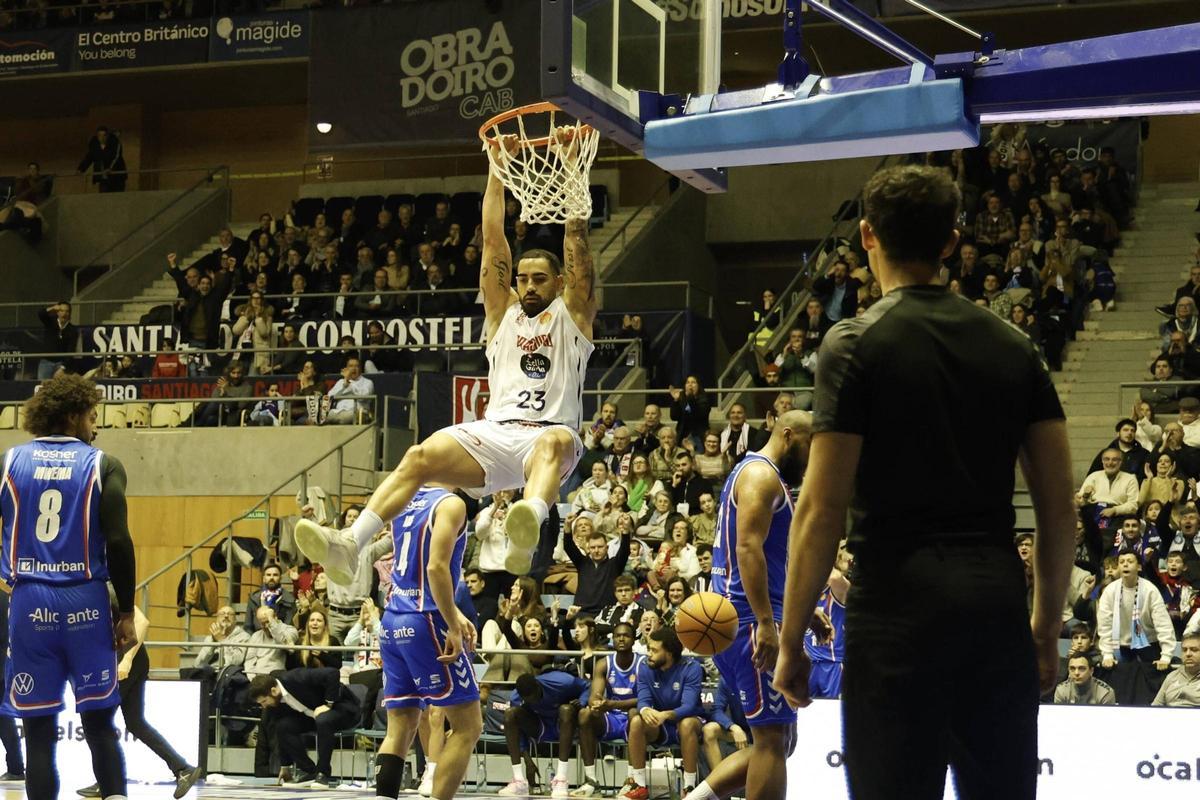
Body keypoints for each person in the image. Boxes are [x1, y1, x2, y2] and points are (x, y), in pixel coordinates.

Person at [772, 165, 1076, 800]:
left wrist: (792, 637)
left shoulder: (853, 343)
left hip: (896, 613)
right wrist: (1044, 630)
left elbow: (822, 510)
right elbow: (1057, 510)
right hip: (992, 611)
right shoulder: (1015, 346)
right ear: (950, 242)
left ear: (865, 237)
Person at [294, 130, 598, 581]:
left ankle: (527, 525)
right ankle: (349, 544)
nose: (529, 285)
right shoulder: (503, 313)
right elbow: (493, 238)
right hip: (495, 434)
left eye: (539, 279)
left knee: (551, 442)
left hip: (550, 437)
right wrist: (497, 166)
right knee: (420, 455)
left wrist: (573, 167)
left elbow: (576, 239)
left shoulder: (573, 315)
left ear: (557, 284)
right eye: (523, 278)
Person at [0, 374, 139, 800]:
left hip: (29, 601)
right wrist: (129, 611)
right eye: (92, 416)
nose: (95, 427)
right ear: (75, 415)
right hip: (85, 600)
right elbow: (117, 541)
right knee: (99, 724)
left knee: (39, 732)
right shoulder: (102, 463)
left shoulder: (9, 461)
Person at [693, 410, 812, 800]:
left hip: (744, 617)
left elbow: (779, 557)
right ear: (790, 436)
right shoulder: (762, 476)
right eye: (811, 447)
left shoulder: (755, 473)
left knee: (779, 740)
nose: (814, 460)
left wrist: (805, 609)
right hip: (749, 620)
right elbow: (747, 548)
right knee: (772, 741)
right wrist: (766, 622)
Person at [372, 486, 483, 800]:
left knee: (401, 724)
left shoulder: (403, 498)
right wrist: (452, 621)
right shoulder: (450, 503)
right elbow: (435, 567)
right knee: (468, 726)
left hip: (392, 618)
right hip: (424, 619)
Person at [76, 593, 203, 798]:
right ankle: (182, 769)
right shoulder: (79, 594)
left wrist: (126, 659)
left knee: (98, 723)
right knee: (135, 723)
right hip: (120, 659)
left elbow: (142, 622)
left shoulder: (105, 589)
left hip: (126, 659)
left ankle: (107, 781)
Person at [618, 627, 704, 800]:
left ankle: (689, 787)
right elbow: (642, 699)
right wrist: (645, 710)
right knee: (636, 721)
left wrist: (664, 714)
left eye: (654, 650)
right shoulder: (645, 666)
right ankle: (640, 785)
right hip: (660, 724)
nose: (649, 653)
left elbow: (688, 706)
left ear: (670, 653)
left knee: (687, 723)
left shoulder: (692, 667)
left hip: (687, 723)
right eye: (649, 648)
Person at [249, 668, 360, 788]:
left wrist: (328, 704)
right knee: (283, 726)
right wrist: (285, 766)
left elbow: (332, 673)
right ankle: (311, 772)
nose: (264, 706)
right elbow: (280, 733)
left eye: (264, 701)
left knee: (323, 719)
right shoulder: (275, 704)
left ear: (273, 690)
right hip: (314, 716)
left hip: (343, 709)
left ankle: (323, 774)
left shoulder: (295, 677)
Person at [570, 622, 644, 798]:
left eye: (625, 635)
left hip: (634, 718)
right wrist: (597, 705)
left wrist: (612, 704)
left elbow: (645, 700)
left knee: (635, 714)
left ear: (633, 640)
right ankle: (591, 781)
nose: (621, 638)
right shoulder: (604, 664)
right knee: (585, 713)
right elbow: (594, 698)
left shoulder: (643, 663)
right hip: (611, 718)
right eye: (617, 635)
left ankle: (631, 781)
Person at [499, 670, 590, 797]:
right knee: (510, 714)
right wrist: (527, 760)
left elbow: (588, 685)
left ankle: (561, 779)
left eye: (534, 697)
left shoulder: (562, 681)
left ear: (538, 686)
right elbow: (519, 732)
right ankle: (519, 780)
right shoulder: (516, 696)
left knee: (566, 709)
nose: (533, 701)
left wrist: (582, 701)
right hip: (540, 726)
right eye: (528, 700)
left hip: (564, 725)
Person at [1096, 552, 1175, 671]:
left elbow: (1163, 625)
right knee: (1122, 681)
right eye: (1121, 562)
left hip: (1149, 643)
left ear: (1139, 567)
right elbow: (1105, 625)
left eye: (1130, 561)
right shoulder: (1109, 591)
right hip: (1122, 645)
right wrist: (1107, 654)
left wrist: (1166, 657)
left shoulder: (1150, 590)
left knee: (1152, 679)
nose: (1125, 565)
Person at [805, 541, 850, 700]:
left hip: (832, 665)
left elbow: (835, 576)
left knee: (832, 716)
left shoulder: (838, 588)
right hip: (808, 663)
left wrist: (826, 544)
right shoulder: (806, 593)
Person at [1151, 632, 1200, 707]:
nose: (1188, 654)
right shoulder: (1172, 676)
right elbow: (1156, 706)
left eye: (1194, 650)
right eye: (1184, 650)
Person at [1051, 653, 1116, 706]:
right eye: (1072, 668)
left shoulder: (1105, 693)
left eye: (1082, 668)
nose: (1076, 673)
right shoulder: (1061, 690)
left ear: (1091, 671)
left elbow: (1106, 720)